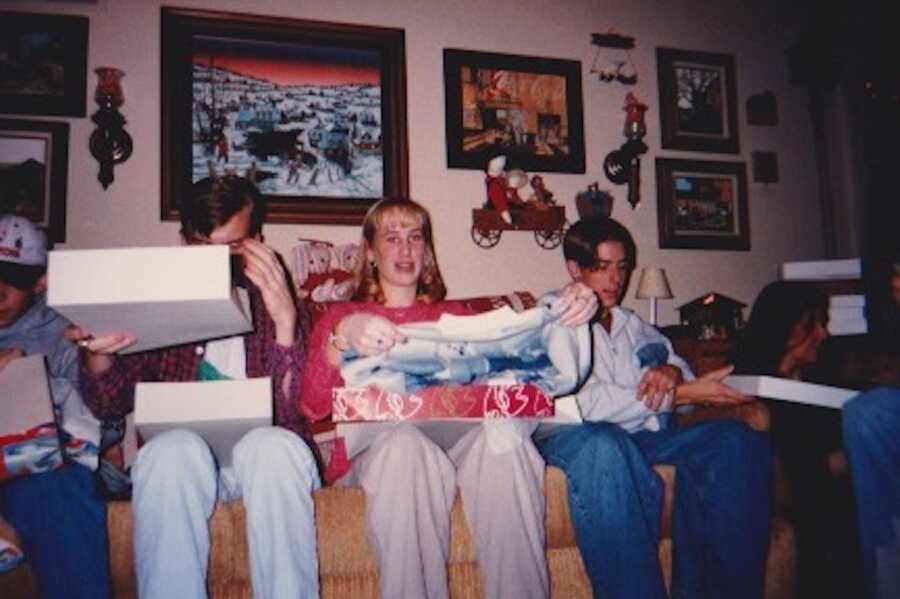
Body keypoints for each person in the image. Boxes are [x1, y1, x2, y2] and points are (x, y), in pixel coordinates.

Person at [299, 198, 597, 599]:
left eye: (415, 237)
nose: (405, 249)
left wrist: (571, 303)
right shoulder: (341, 317)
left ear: (427, 250)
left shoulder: (461, 315)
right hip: (378, 452)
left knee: (505, 439)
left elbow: (525, 353)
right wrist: (343, 338)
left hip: (458, 441)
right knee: (405, 445)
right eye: (392, 238)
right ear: (370, 252)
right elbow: (311, 405)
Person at [75, 175, 320, 599]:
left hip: (268, 463)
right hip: (187, 463)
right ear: (185, 241)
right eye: (201, 247)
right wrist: (100, 352)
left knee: (270, 446)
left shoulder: (286, 306)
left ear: (257, 239)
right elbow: (107, 402)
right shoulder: (161, 299)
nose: (213, 261)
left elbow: (297, 409)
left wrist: (285, 324)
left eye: (230, 249)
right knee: (168, 451)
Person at [536, 216, 773, 599]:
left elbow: (677, 366)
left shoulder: (635, 326)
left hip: (645, 439)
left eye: (622, 267)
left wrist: (671, 374)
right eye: (602, 267)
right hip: (578, 438)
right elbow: (584, 403)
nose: (616, 279)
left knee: (736, 441)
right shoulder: (553, 318)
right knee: (605, 447)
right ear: (574, 269)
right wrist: (681, 394)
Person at [735, 280, 900, 599]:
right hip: (814, 498)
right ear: (783, 328)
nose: (824, 334)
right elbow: (795, 468)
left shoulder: (827, 377)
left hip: (851, 489)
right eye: (813, 324)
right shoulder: (753, 386)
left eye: (824, 323)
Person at [0, 214, 112, 599]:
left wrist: (36, 377)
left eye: (13, 280)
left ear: (39, 282)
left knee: (56, 492)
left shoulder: (63, 332)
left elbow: (104, 423)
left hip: (39, 472)